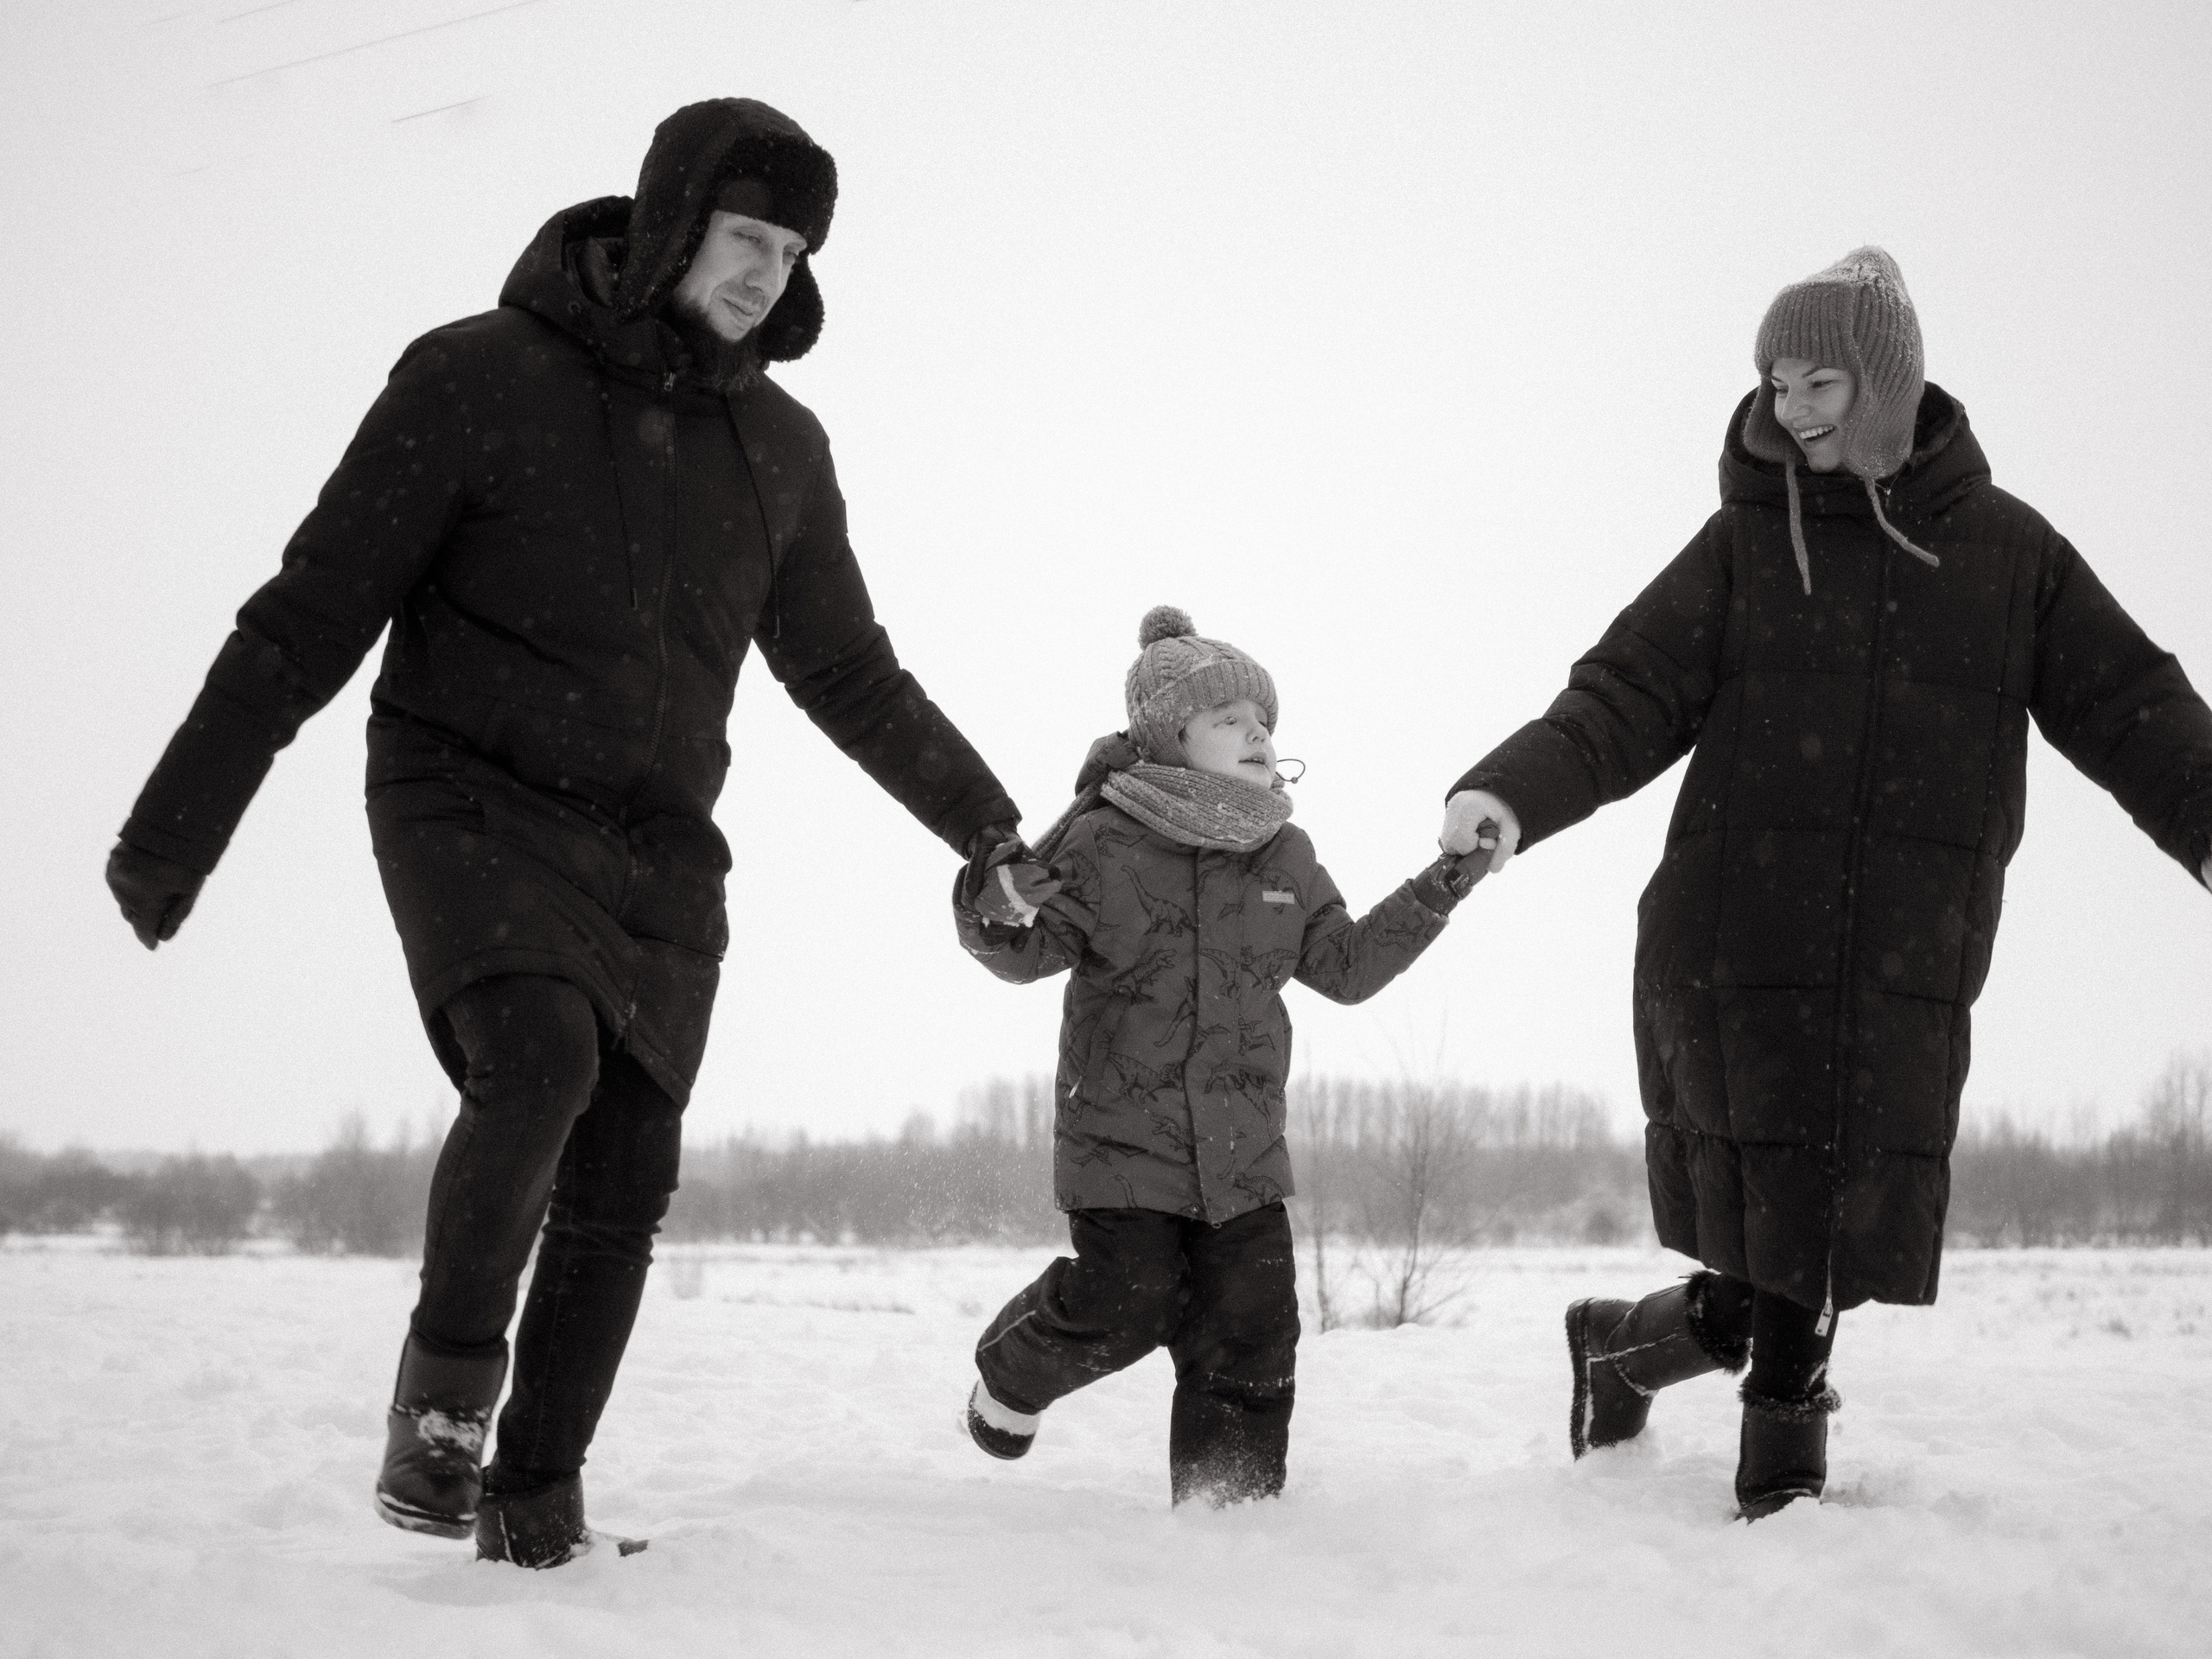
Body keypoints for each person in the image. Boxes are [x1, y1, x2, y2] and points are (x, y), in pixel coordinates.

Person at [104, 99, 1023, 1567]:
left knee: (627, 1170)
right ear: (667, 225)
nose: (766, 274)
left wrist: (985, 827)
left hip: (660, 845)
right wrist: (176, 830)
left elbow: (848, 672)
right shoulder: (476, 377)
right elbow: (313, 614)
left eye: (790, 251)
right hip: (466, 789)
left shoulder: (780, 450)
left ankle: (536, 1497)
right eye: (744, 238)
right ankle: (446, 1411)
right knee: (538, 1056)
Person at [1440, 247, 2212, 1519]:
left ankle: (1625, 1345)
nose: (1789, 408)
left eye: (1820, 382)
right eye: (1776, 381)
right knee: (1800, 1205)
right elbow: (1623, 695)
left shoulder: (2013, 558)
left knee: (1798, 1237)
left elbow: (2133, 708)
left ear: (1889, 383)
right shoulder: (1746, 545)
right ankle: (1781, 1475)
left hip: (1910, 942)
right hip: (1737, 931)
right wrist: (1511, 791)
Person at [952, 607, 1485, 1505]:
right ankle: (1014, 1373)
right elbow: (1021, 951)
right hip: (1121, 1146)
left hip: (1241, 1157)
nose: (1256, 733)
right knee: (1127, 1301)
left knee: (1253, 1327)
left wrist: (1443, 883)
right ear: (1169, 738)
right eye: (1229, 719)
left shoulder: (1283, 853)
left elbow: (1345, 969)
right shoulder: (1100, 838)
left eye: (1262, 720)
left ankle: (1226, 1518)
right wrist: (992, 904)